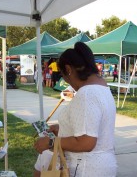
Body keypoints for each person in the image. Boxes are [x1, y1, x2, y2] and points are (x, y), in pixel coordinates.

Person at [34, 42, 117, 177]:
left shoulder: (87, 94)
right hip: (101, 166)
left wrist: (50, 142)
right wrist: (64, 129)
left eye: (63, 75)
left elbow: (86, 142)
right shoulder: (102, 88)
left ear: (68, 69)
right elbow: (93, 128)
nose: (67, 81)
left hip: (86, 168)